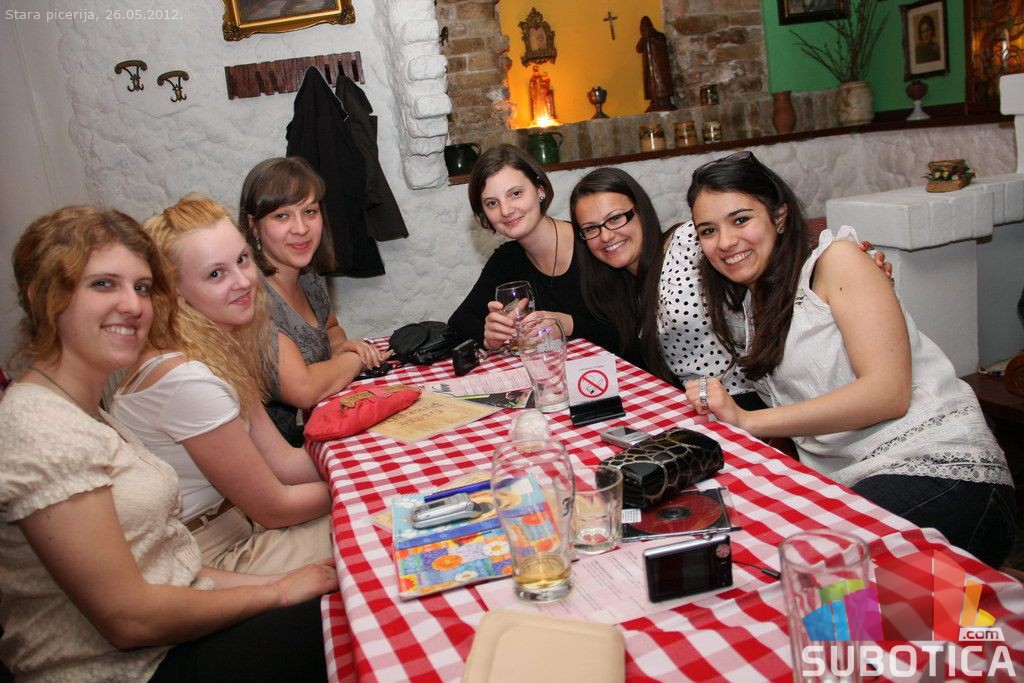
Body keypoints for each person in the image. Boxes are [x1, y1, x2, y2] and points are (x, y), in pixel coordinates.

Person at [0, 206, 337, 681]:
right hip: (125, 669)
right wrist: (278, 592)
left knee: (357, 582)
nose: (133, 305)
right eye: (103, 284)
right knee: (359, 606)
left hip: (174, 626)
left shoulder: (84, 412)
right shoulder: (40, 424)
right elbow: (129, 620)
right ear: (42, 297)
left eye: (141, 287)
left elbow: (169, 564)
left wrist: (285, 581)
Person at [682, 152, 1014, 567]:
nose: (726, 241)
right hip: (853, 482)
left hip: (940, 471)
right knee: (754, 553)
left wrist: (748, 420)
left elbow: (887, 395)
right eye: (708, 230)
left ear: (779, 217)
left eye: (741, 219)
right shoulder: (752, 302)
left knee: (821, 575)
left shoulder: (837, 260)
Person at [111, 195, 333, 575]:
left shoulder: (211, 349)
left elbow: (284, 462)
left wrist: (372, 459)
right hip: (205, 554)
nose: (243, 281)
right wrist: (365, 487)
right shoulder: (187, 380)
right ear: (175, 290)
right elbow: (275, 507)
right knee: (382, 525)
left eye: (242, 260)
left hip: (237, 526)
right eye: (216, 274)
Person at [569, 166, 891, 391]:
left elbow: (767, 248)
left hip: (752, 397)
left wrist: (850, 265)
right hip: (706, 408)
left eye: (616, 218)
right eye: (591, 228)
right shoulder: (616, 288)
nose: (606, 235)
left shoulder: (688, 243)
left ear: (641, 210)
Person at [238, 156, 387, 446]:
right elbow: (303, 389)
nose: (301, 228)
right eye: (282, 216)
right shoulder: (252, 296)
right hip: (270, 453)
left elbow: (331, 328)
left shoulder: (308, 275)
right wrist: (355, 359)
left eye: (309, 211)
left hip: (312, 432)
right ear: (253, 226)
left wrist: (338, 347)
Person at [448, 144, 618, 354]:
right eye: (492, 203)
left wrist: (568, 324)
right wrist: (488, 337)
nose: (505, 210)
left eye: (515, 193)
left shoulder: (591, 243)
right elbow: (458, 322)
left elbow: (628, 337)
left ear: (540, 190)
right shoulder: (507, 259)